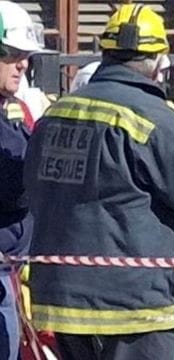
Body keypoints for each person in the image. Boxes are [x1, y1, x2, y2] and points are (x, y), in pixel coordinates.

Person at [23, 4, 174, 360]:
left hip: (63, 298)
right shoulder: (151, 117)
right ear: (158, 62)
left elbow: (35, 190)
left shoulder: (55, 114)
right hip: (135, 305)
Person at [0, 1, 51, 359]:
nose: (23, 64)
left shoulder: (16, 109)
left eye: (26, 56)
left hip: (15, 267)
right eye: (12, 54)